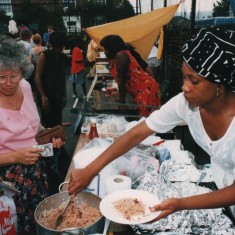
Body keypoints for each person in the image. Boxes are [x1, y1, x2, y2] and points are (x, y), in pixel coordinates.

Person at [68, 28, 235, 220]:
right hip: (222, 192)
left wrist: (180, 204)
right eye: (184, 77)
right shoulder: (185, 103)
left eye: (194, 81)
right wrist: (90, 170)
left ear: (219, 86)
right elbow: (138, 133)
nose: (184, 87)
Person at [0, 35, 64, 234]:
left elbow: (33, 125)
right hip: (7, 182)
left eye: (15, 75)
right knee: (14, 227)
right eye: (1, 77)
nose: (9, 83)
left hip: (36, 172)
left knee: (37, 222)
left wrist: (47, 135)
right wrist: (15, 156)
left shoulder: (26, 87)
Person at [100, 35, 161, 116]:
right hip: (140, 91)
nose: (105, 52)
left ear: (112, 47)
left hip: (146, 90)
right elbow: (122, 75)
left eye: (106, 49)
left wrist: (122, 104)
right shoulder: (115, 57)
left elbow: (121, 81)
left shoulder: (121, 56)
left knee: (145, 121)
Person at [35, 31, 67, 128]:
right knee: (47, 124)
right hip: (46, 95)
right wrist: (43, 97)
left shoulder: (63, 57)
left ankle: (58, 142)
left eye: (60, 46)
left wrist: (64, 95)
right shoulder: (43, 55)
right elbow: (37, 78)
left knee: (57, 122)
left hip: (58, 95)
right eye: (57, 46)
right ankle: (49, 142)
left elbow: (63, 77)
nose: (58, 49)